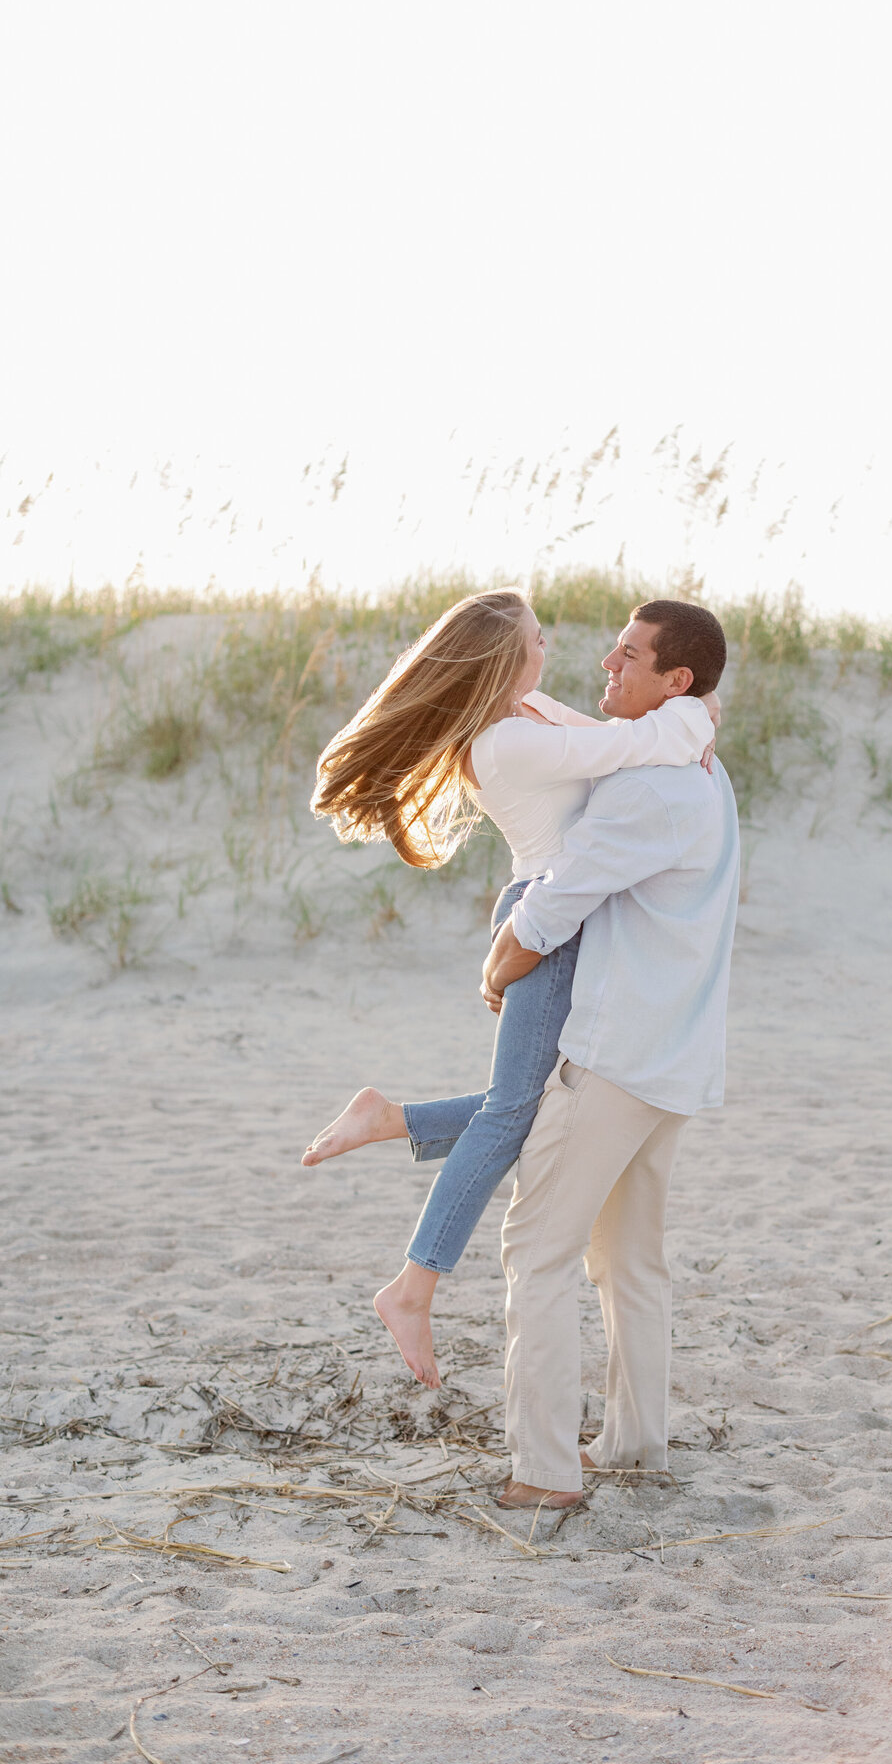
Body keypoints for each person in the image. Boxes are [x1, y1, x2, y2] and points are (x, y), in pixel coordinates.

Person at [302, 589, 718, 1388]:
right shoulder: (503, 745)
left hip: (556, 920)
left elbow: (627, 737)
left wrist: (694, 716)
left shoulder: (527, 709)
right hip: (545, 927)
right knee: (513, 1111)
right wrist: (698, 717)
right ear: (503, 655)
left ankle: (391, 1120)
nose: (550, 647)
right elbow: (628, 751)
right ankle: (412, 1286)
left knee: (532, 1106)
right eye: (535, 637)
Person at [478, 599, 739, 1509]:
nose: (606, 665)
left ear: (675, 680)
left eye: (629, 658)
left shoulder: (652, 785)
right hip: (672, 1059)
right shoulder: (697, 767)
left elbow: (559, 901)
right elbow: (590, 735)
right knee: (628, 1259)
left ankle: (544, 1475)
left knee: (536, 1250)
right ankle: (633, 1443)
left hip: (617, 1056)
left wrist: (499, 965)